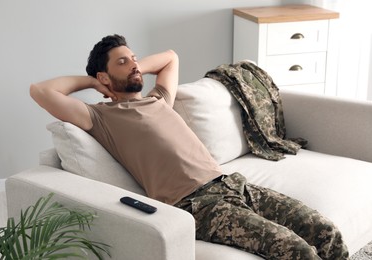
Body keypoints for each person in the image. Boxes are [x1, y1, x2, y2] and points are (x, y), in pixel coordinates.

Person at [30, 34, 349, 260]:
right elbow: (40, 91)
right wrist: (92, 82)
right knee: (297, 252)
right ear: (104, 76)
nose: (135, 66)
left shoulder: (159, 100)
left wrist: (131, 64)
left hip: (232, 184)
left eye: (136, 59)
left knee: (324, 230)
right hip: (198, 206)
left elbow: (170, 57)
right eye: (123, 62)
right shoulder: (100, 117)